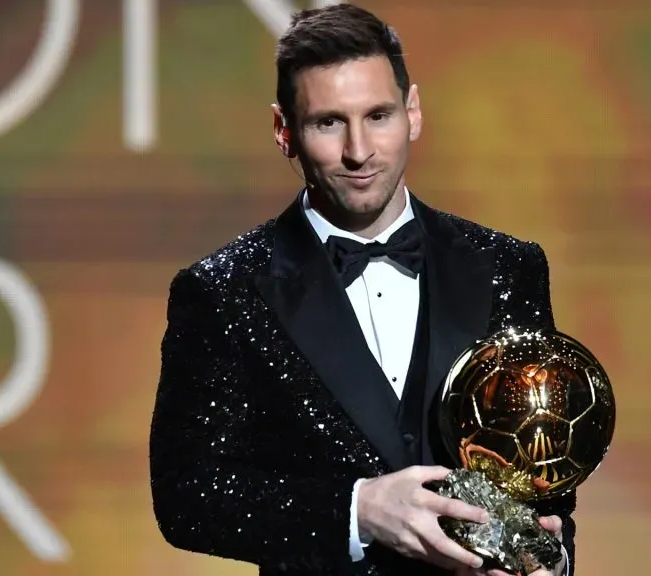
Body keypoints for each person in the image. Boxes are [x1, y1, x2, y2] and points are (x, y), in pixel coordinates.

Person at [148, 4, 576, 576]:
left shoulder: (510, 266)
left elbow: (548, 473)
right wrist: (358, 510)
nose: (359, 150)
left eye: (378, 116)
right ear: (284, 131)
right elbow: (187, 496)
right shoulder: (222, 291)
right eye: (328, 123)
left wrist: (548, 559)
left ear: (413, 112)